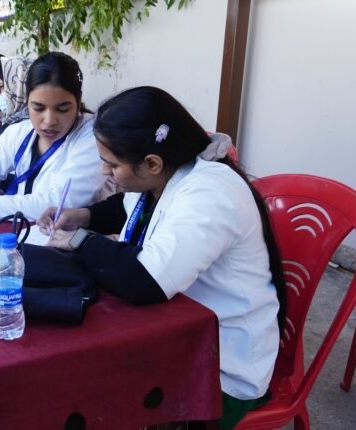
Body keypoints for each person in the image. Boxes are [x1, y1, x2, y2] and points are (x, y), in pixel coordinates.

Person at [38, 86, 286, 430]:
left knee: (86, 394)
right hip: (174, 334)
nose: (104, 172)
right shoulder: (165, 173)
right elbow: (126, 207)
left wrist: (79, 241)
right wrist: (83, 216)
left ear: (152, 163)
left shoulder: (209, 194)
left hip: (219, 369)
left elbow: (145, 280)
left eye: (112, 165)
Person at [0, 52, 107, 222]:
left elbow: (58, 203)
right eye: (38, 108)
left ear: (78, 101)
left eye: (62, 109)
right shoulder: (21, 131)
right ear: (27, 103)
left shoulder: (93, 138)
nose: (49, 121)